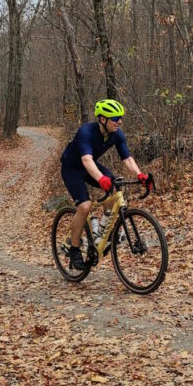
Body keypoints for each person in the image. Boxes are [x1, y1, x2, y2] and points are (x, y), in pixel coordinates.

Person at [60, 99, 152, 270]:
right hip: (72, 169)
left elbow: (127, 158)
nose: (120, 121)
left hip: (90, 166)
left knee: (115, 187)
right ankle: (74, 249)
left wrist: (140, 175)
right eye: (116, 118)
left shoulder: (117, 134)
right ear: (103, 119)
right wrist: (101, 179)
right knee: (85, 206)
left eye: (120, 118)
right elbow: (86, 159)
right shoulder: (85, 132)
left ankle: (103, 230)